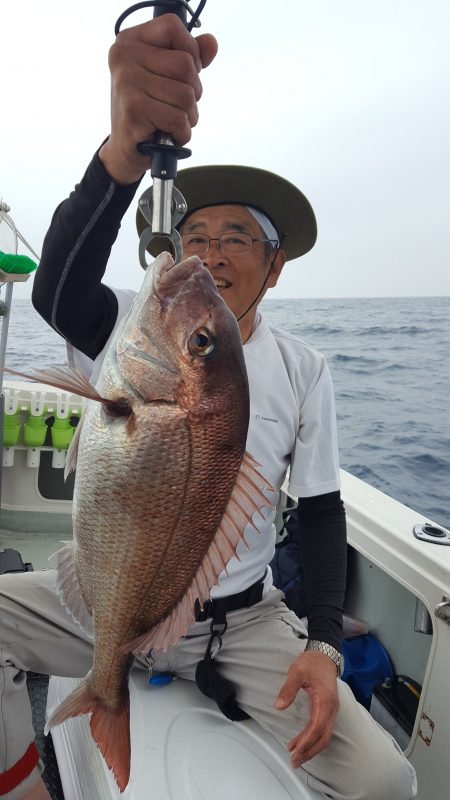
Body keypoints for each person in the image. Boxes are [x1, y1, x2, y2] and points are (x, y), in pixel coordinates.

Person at [0, 14, 417, 800]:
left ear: (276, 265)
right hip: (112, 596)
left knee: (385, 780)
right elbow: (55, 289)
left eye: (237, 237)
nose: (211, 254)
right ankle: (25, 785)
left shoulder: (303, 368)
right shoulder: (132, 328)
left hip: (243, 623)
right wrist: (120, 158)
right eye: (195, 236)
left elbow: (323, 515)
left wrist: (324, 647)